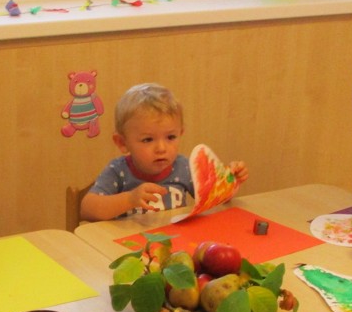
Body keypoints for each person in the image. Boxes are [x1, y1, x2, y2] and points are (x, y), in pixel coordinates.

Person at [80, 82, 249, 221]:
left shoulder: (184, 166)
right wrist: (129, 199)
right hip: (130, 246)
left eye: (171, 137)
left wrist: (230, 180)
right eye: (148, 140)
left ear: (181, 133)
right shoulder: (118, 170)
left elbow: (215, 200)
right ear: (122, 143)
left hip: (176, 243)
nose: (161, 148)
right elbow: (87, 209)